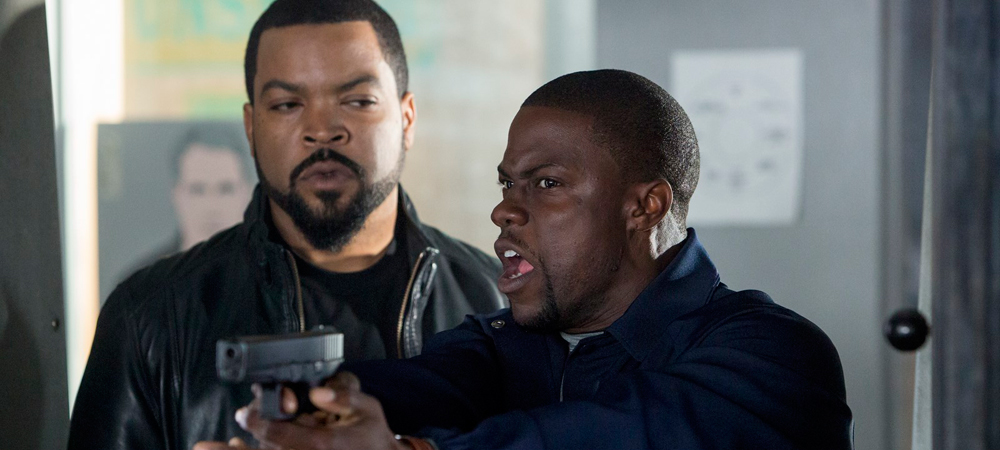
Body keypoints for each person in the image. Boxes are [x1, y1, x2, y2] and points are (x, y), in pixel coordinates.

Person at [203, 69, 854, 450]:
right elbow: (418, 387)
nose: (505, 211)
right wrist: (323, 409)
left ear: (646, 206)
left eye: (546, 183)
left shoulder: (773, 355)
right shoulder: (500, 346)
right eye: (507, 184)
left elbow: (632, 433)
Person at [68, 1, 506, 449]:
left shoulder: (501, 303)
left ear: (407, 119)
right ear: (251, 128)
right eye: (287, 104)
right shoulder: (150, 319)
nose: (322, 129)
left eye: (358, 101)